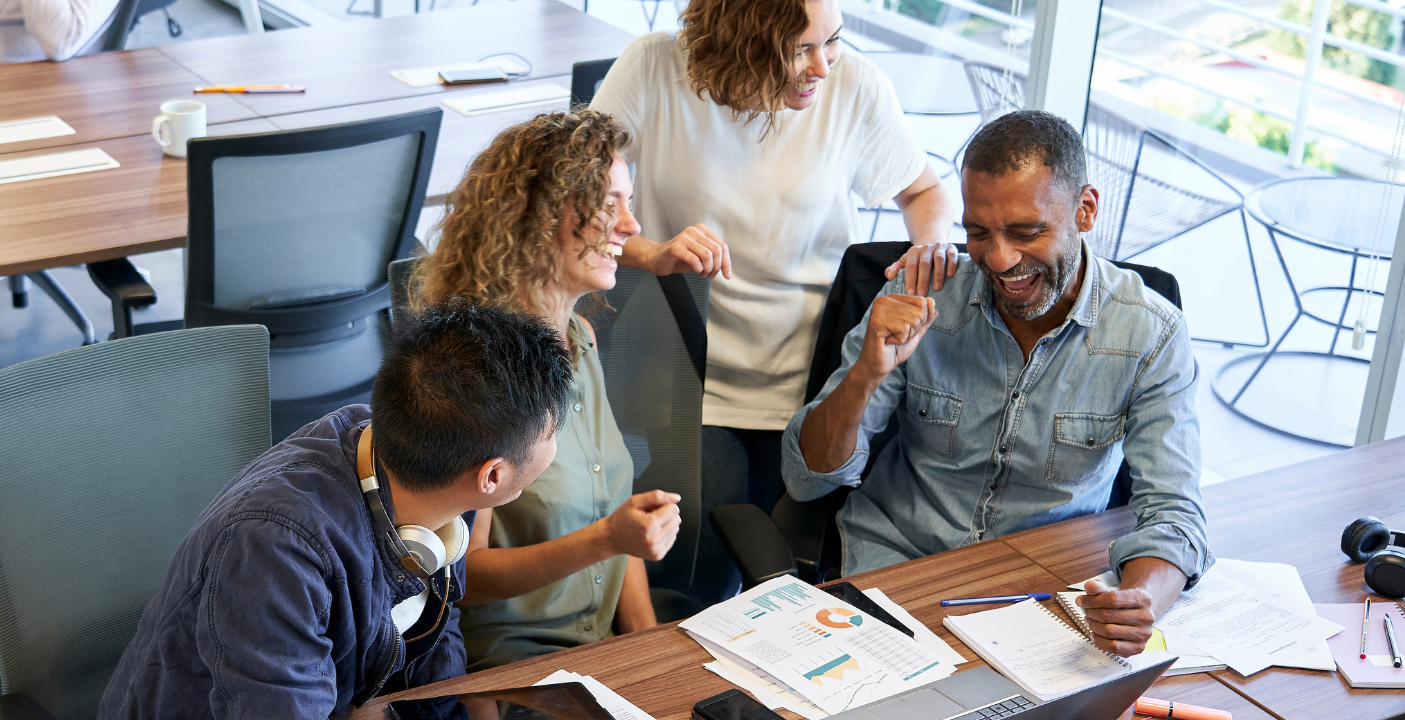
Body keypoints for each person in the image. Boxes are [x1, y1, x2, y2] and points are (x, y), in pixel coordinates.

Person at [783, 110, 1211, 657]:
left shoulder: (1150, 333)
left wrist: (1141, 601)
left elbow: (1175, 513)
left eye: (1026, 232)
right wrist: (866, 375)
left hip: (1044, 600)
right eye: (978, 233)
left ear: (1085, 210)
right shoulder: (922, 296)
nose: (1000, 259)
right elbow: (806, 481)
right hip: (899, 578)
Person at [590, 0, 959, 599]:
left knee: (785, 579)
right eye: (798, 49)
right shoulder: (657, 70)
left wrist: (928, 246)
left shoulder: (856, 86)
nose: (822, 66)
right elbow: (576, 198)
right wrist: (652, 253)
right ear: (739, 40)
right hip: (690, 373)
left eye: (832, 41)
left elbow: (923, 190)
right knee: (698, 583)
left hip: (810, 378)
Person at [99, 301, 574, 719]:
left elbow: (436, 637)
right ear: (492, 476)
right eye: (551, 433)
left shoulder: (430, 459)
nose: (555, 443)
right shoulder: (277, 549)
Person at [412, 110, 686, 671]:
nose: (632, 226)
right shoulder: (475, 373)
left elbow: (617, 515)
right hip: (517, 667)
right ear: (542, 216)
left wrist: (653, 656)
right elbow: (460, 579)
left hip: (608, 651)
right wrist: (606, 539)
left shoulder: (580, 340)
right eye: (611, 203)